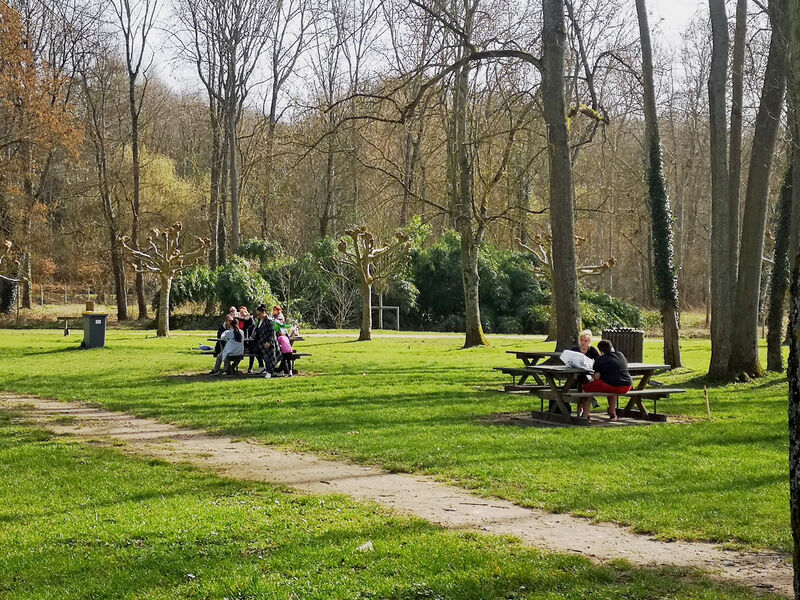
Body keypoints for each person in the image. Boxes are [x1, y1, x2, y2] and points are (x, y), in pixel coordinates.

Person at [577, 339, 632, 422]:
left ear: (601, 351)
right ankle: (613, 414)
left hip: (612, 386)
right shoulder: (621, 355)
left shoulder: (600, 359)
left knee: (586, 388)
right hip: (627, 385)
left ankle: (586, 415)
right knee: (612, 387)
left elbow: (596, 378)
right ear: (612, 347)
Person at [251, 304, 280, 378]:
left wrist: (269, 342)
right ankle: (262, 366)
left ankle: (269, 372)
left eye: (259, 314)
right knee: (255, 351)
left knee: (267, 356)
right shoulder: (260, 320)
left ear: (264, 313)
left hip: (268, 342)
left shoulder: (269, 321)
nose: (258, 316)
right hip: (261, 342)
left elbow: (271, 332)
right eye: (257, 314)